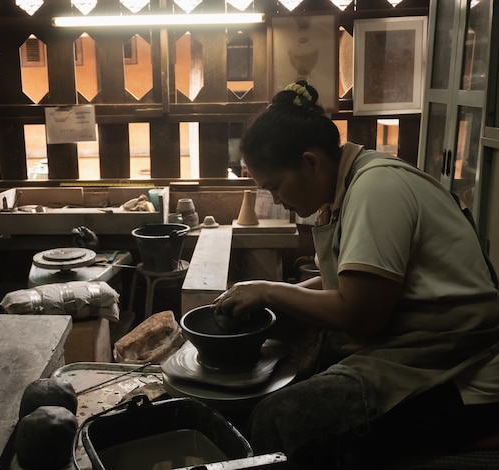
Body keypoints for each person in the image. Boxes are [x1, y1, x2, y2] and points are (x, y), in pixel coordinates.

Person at [213, 81, 499, 468]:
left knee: (281, 417)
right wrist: (275, 293)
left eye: (276, 187)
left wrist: (270, 291)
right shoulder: (349, 185)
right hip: (417, 348)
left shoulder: (377, 187)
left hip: (462, 368)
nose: (277, 200)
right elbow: (347, 283)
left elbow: (360, 313)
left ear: (310, 162)